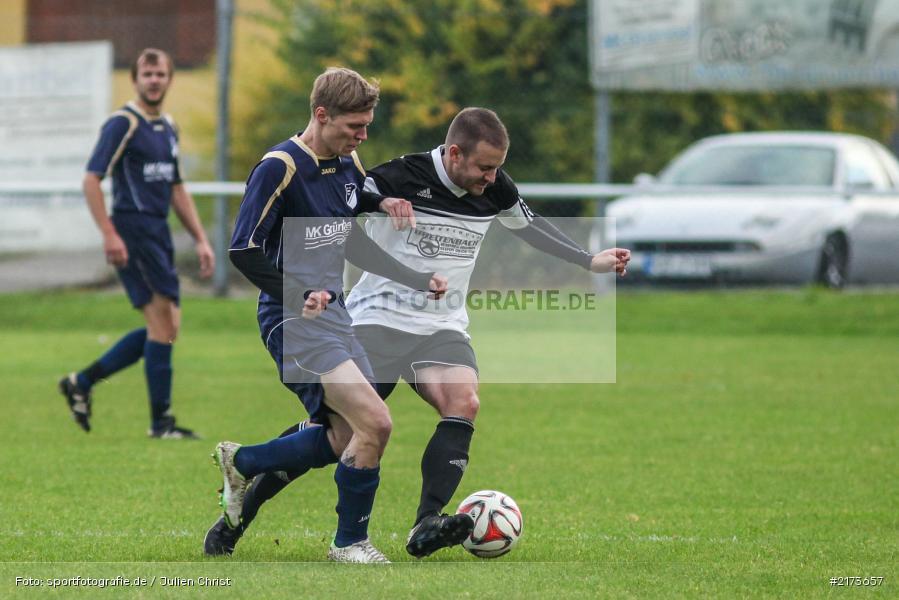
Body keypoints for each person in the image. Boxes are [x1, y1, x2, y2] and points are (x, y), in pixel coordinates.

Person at [203, 107, 630, 558]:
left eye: (497, 168)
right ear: (454, 153)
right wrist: (372, 209)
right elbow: (335, 212)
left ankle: (426, 521)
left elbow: (531, 226)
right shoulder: (399, 176)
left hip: (440, 325)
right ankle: (239, 512)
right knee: (339, 433)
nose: (491, 177)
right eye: (484, 167)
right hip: (377, 320)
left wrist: (588, 261)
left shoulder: (494, 187)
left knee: (463, 402)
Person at [209, 66, 446, 564]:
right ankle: (349, 544)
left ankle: (243, 460)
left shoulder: (346, 161)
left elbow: (350, 224)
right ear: (321, 114)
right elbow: (243, 249)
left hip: (334, 316)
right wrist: (298, 295)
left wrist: (390, 217)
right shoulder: (280, 167)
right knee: (377, 423)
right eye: (353, 127)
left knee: (343, 436)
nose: (362, 137)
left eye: (365, 127)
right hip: (292, 320)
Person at [59, 48, 213, 439]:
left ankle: (83, 382)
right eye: (147, 74)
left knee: (166, 327)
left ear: (170, 78)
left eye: (160, 73)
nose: (154, 80)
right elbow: (91, 179)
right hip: (132, 228)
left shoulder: (169, 127)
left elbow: (176, 186)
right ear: (135, 79)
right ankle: (161, 424)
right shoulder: (122, 123)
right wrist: (109, 233)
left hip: (157, 230)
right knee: (163, 324)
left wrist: (200, 239)